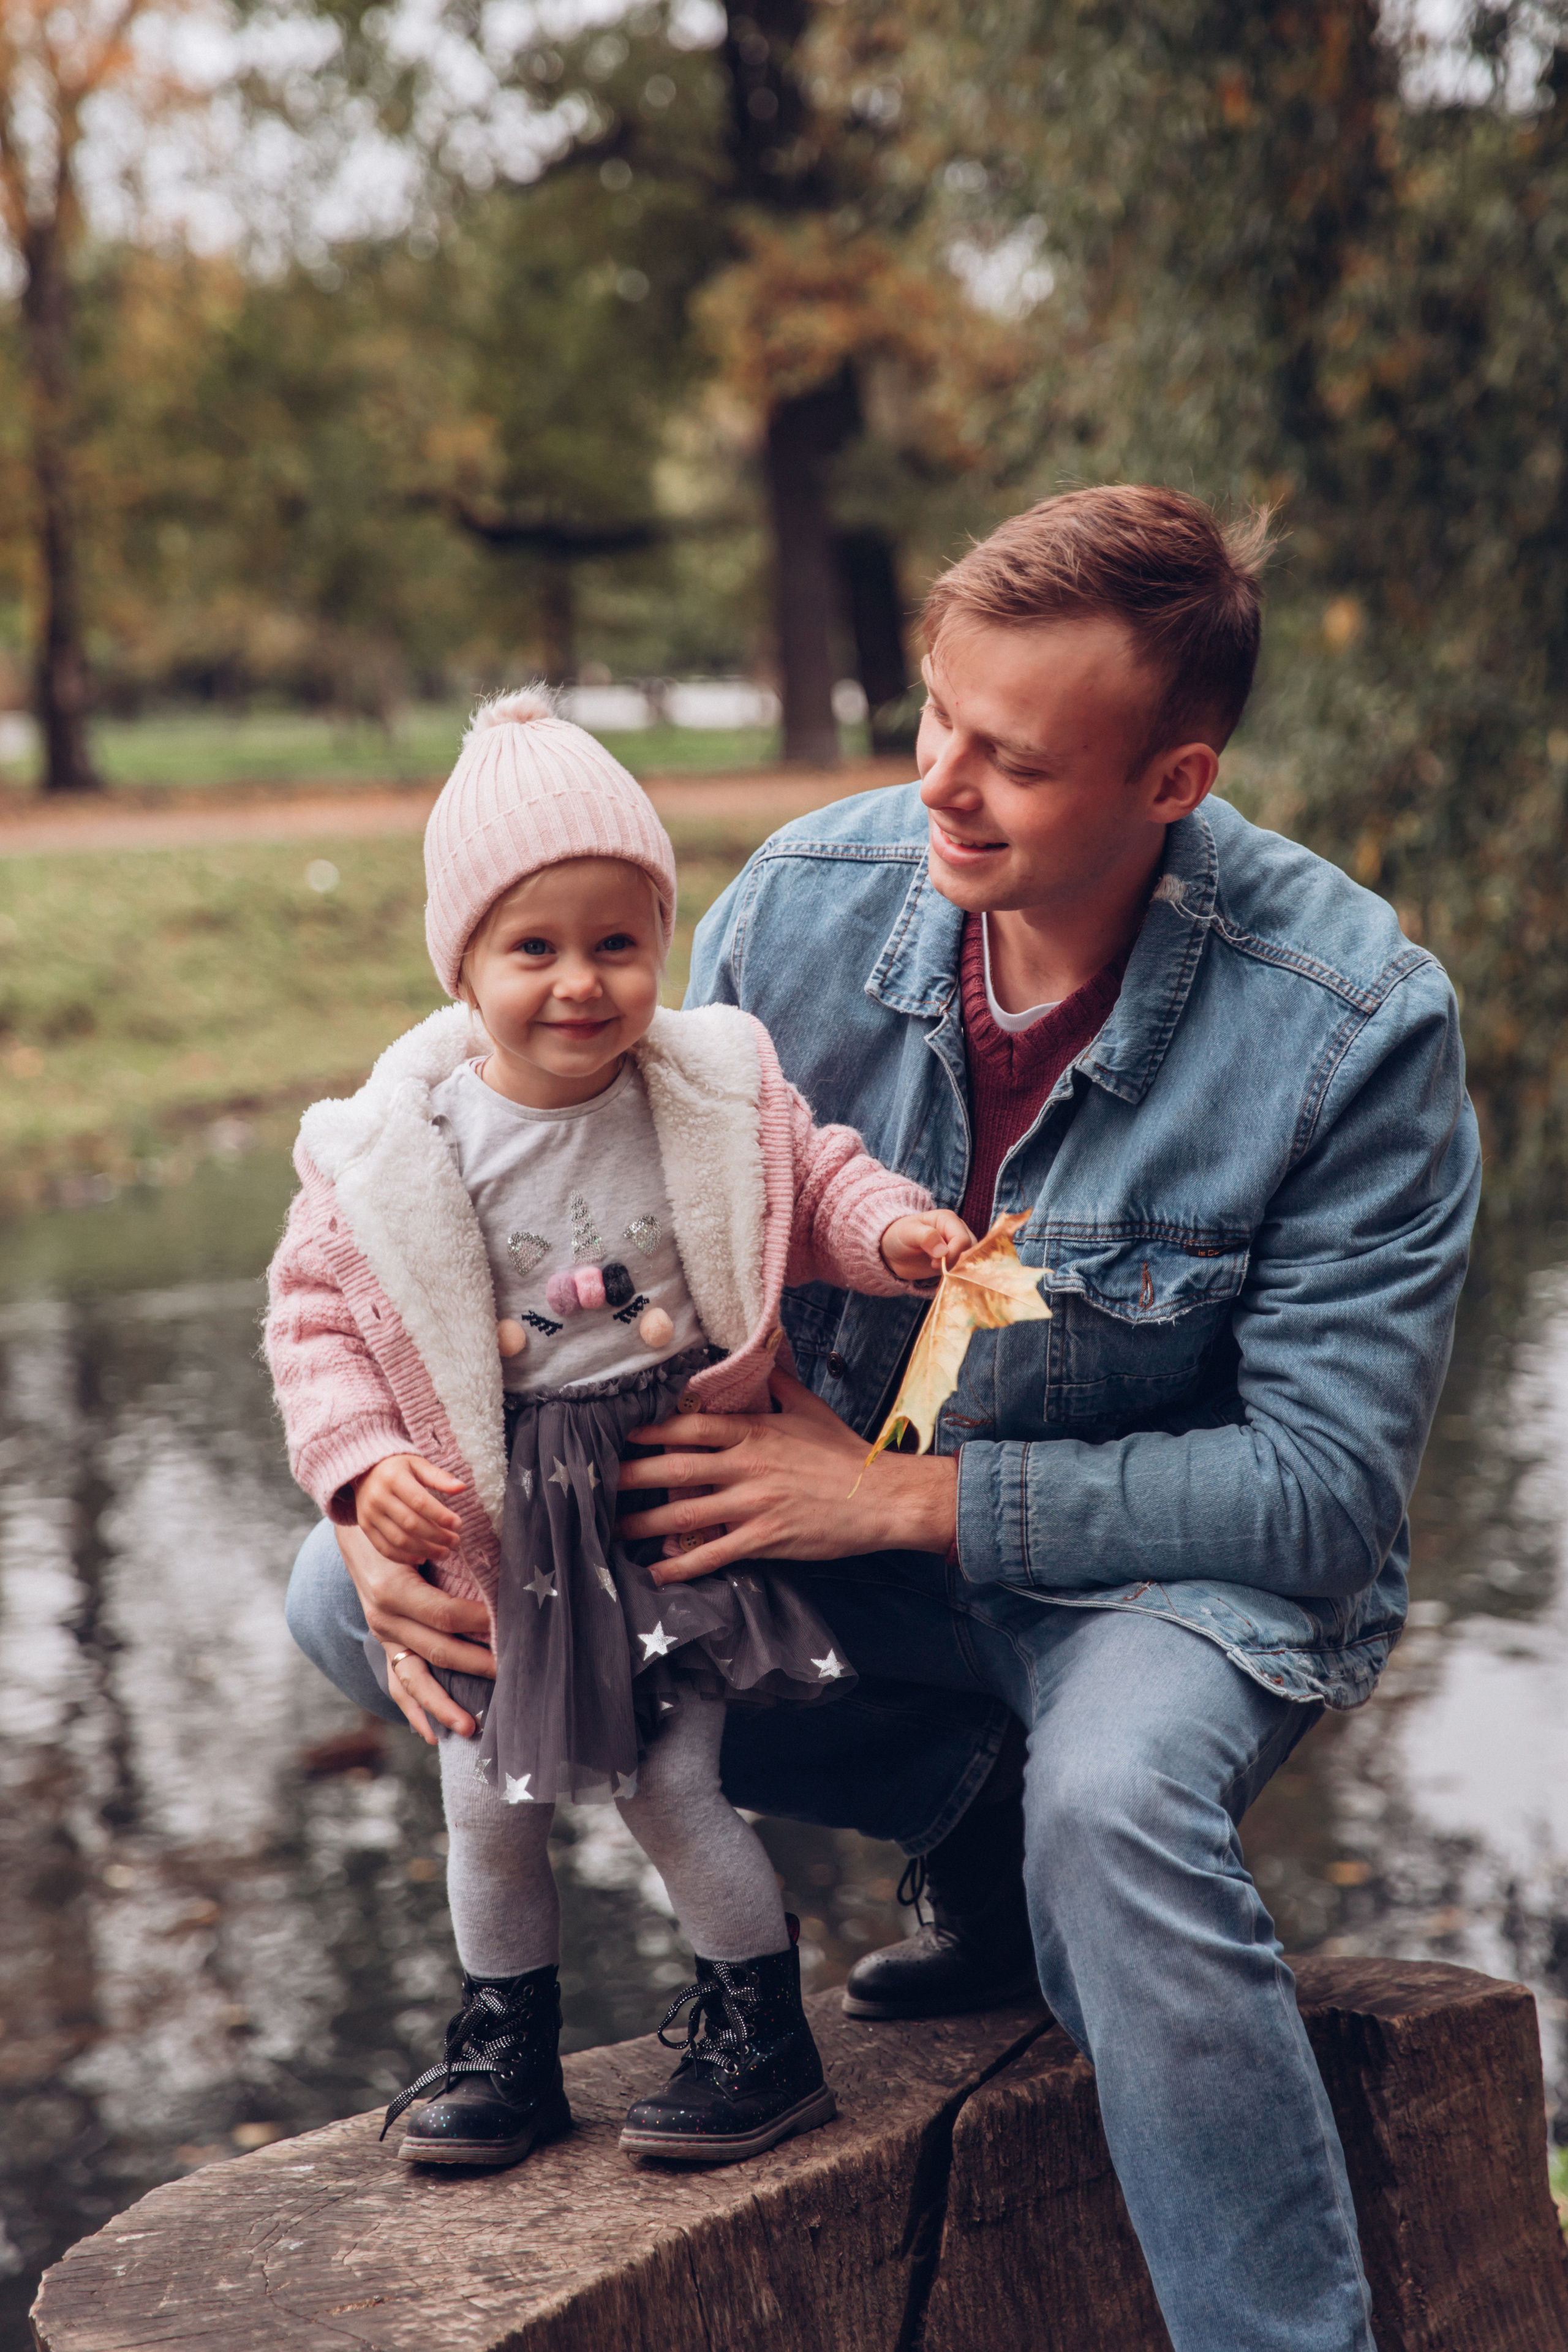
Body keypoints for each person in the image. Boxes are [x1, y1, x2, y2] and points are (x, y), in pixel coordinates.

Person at [285, 486, 1480, 2352]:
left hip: (1154, 1593)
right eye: (938, 716)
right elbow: (462, 1158)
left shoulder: (1354, 1023)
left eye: (1012, 760)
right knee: (335, 1607)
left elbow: (1323, 1500)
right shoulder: (802, 906)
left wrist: (897, 1508)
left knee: (1119, 1813)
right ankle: (958, 1806)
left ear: (1172, 783)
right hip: (799, 1537)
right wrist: (385, 1488)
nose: (940, 784)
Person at [265, 690, 971, 2171]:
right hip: (507, 1517)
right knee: (483, 1795)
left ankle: (759, 2033)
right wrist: (361, 1468)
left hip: (663, 1490)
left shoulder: (706, 1089)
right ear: (461, 964)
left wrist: (896, 1232)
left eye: (617, 942)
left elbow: (813, 1176)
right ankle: (507, 2046)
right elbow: (315, 1324)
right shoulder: (399, 1147)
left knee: (669, 1785)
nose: (581, 984)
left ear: (662, 943)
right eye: (534, 949)